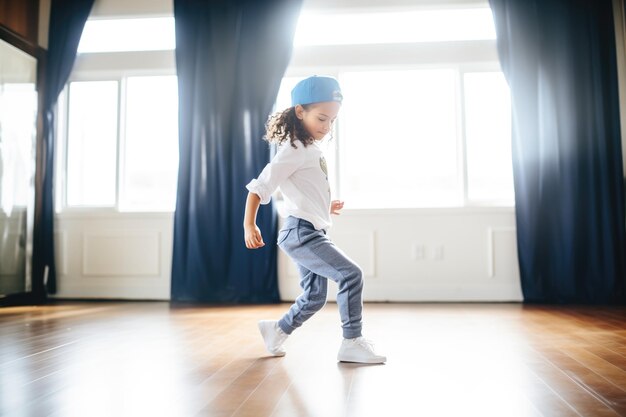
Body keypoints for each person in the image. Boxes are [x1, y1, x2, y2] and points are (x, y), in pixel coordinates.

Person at [243, 75, 386, 364]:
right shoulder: (294, 148)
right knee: (351, 274)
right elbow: (261, 185)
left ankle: (276, 330)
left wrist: (325, 205)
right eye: (321, 118)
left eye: (332, 121)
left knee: (314, 297)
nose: (327, 126)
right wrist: (249, 223)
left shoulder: (309, 148)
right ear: (300, 111)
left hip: (311, 229)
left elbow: (303, 190)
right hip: (300, 232)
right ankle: (351, 342)